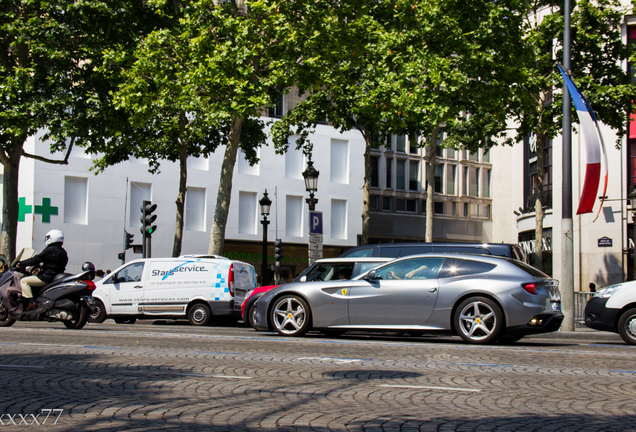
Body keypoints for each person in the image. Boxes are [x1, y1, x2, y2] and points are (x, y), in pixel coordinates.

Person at [18, 229, 68, 311]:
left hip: (47, 277)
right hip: (56, 277)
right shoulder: (63, 252)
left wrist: (21, 263)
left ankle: (31, 302)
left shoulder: (49, 250)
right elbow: (54, 264)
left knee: (24, 281)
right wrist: (42, 268)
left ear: (52, 238)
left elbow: (36, 259)